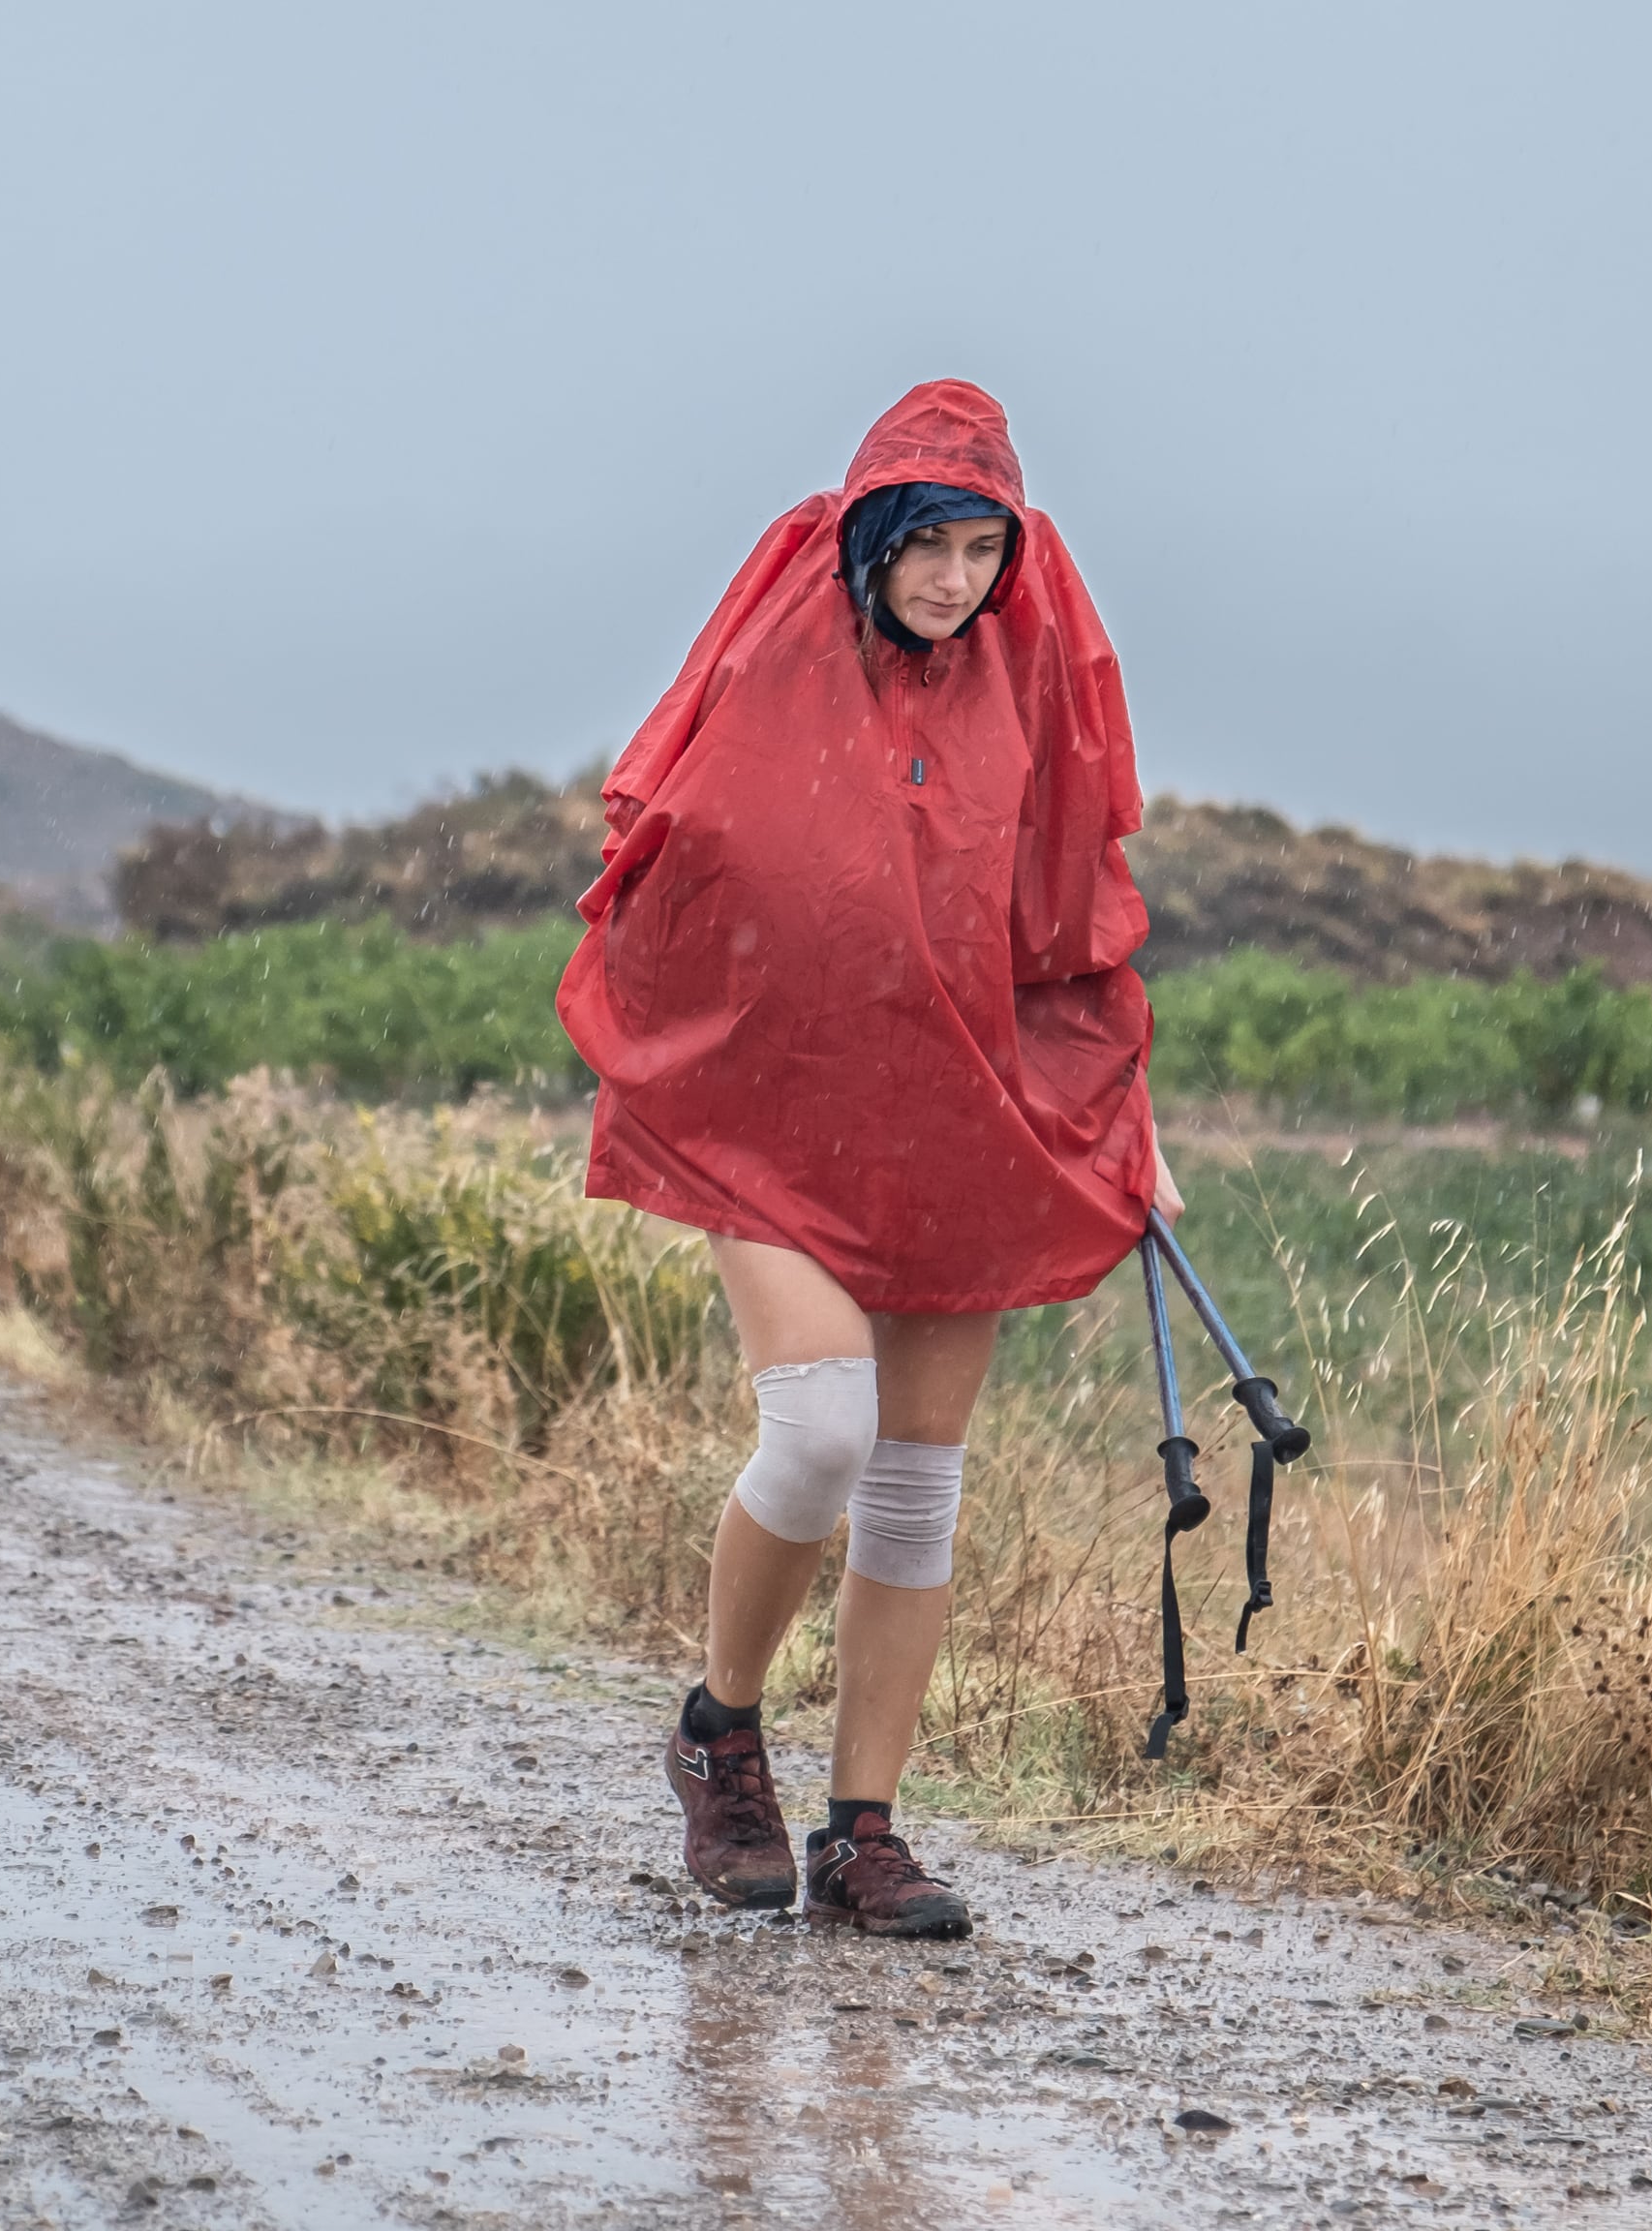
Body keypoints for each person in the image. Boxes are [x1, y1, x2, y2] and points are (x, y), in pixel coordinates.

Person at [557, 381, 1183, 1937]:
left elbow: (1066, 930)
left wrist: (1127, 1129)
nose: (957, 579)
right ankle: (720, 1735)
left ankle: (863, 1835)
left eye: (986, 549)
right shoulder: (784, 654)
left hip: (956, 1118)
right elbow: (678, 847)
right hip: (769, 1114)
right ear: (874, 534)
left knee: (916, 1491)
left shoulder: (1022, 681)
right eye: (931, 545)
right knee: (822, 1429)